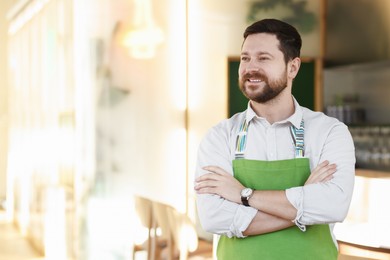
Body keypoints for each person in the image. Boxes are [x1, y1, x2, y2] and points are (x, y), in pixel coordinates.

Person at [194, 18, 355, 260]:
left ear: (293, 67)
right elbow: (214, 217)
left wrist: (244, 196)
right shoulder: (220, 137)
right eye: (245, 58)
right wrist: (304, 199)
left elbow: (332, 206)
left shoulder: (330, 132)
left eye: (263, 58)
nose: (250, 67)